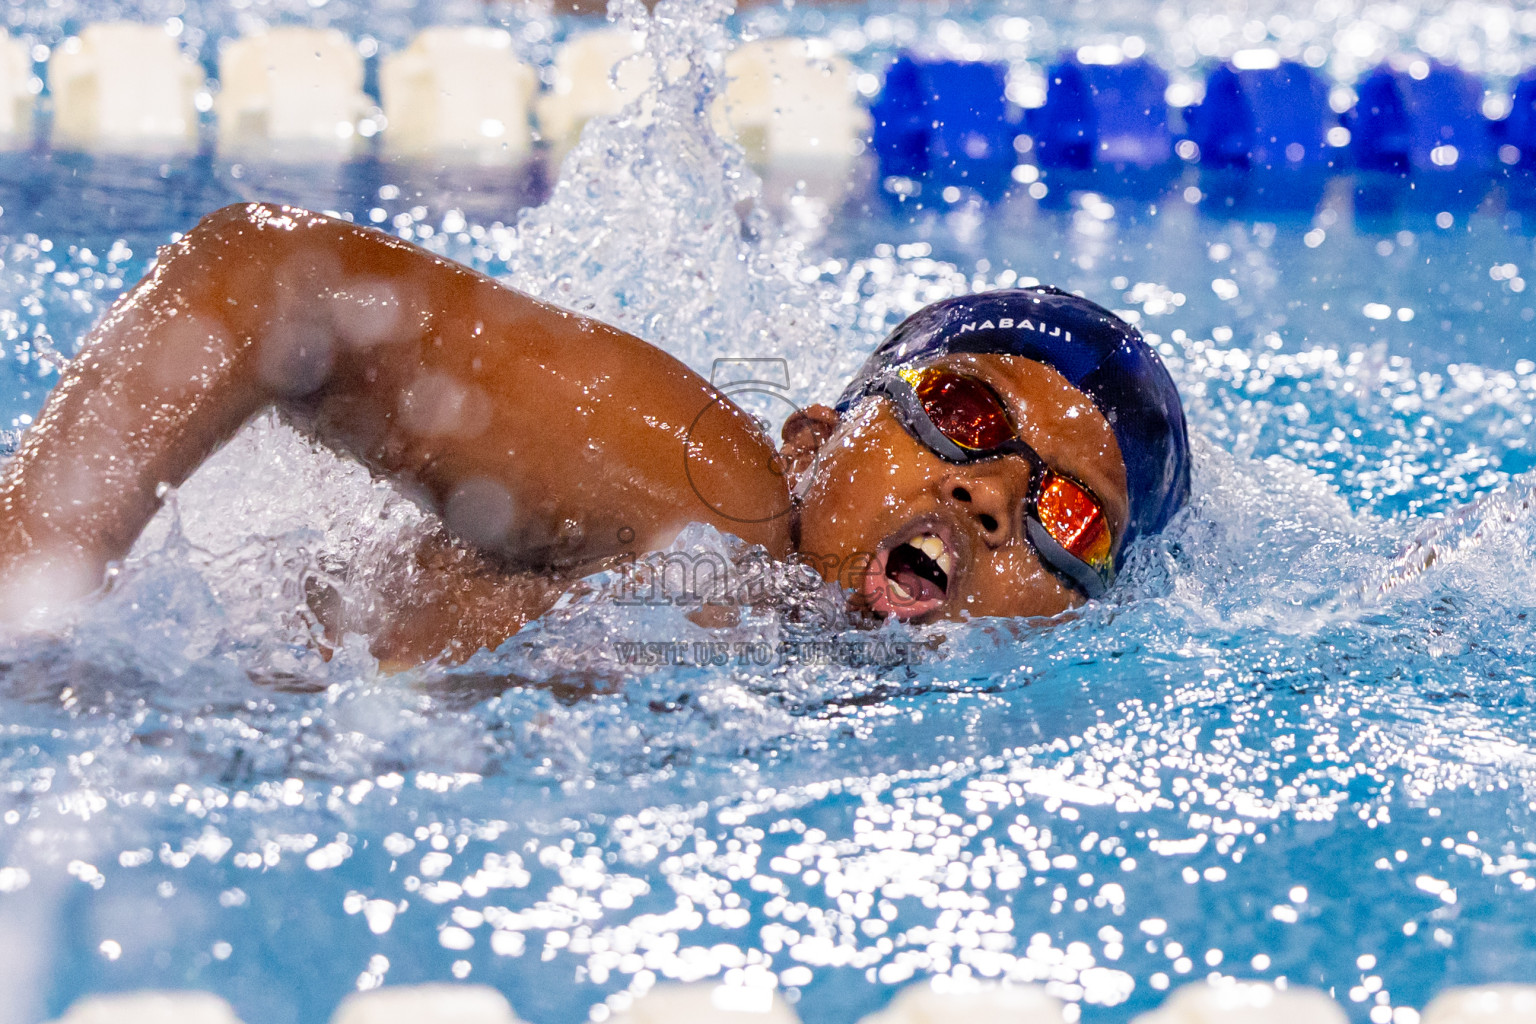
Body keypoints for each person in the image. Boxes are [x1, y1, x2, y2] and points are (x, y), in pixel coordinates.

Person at [0, 202, 1190, 668]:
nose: (992, 495)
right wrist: (28, 583)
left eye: (1066, 515)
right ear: (815, 438)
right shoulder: (705, 489)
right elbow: (268, 278)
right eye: (967, 415)